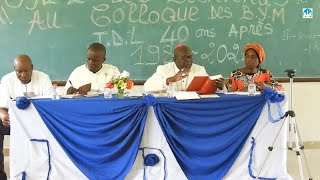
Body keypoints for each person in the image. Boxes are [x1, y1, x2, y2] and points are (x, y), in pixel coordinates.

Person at [0, 54, 53, 179]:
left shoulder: (43, 78)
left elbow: (51, 103)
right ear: (14, 69)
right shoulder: (7, 79)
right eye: (19, 71)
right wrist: (3, 116)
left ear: (32, 68)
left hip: (39, 123)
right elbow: (1, 106)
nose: (23, 75)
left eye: (26, 71)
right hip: (13, 123)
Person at [144, 44, 225, 92]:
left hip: (193, 107)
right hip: (172, 107)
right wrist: (171, 80)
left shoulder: (200, 70)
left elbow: (207, 90)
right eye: (184, 58)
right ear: (174, 59)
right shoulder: (163, 69)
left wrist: (219, 87)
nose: (189, 60)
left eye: (190, 57)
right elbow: (147, 87)